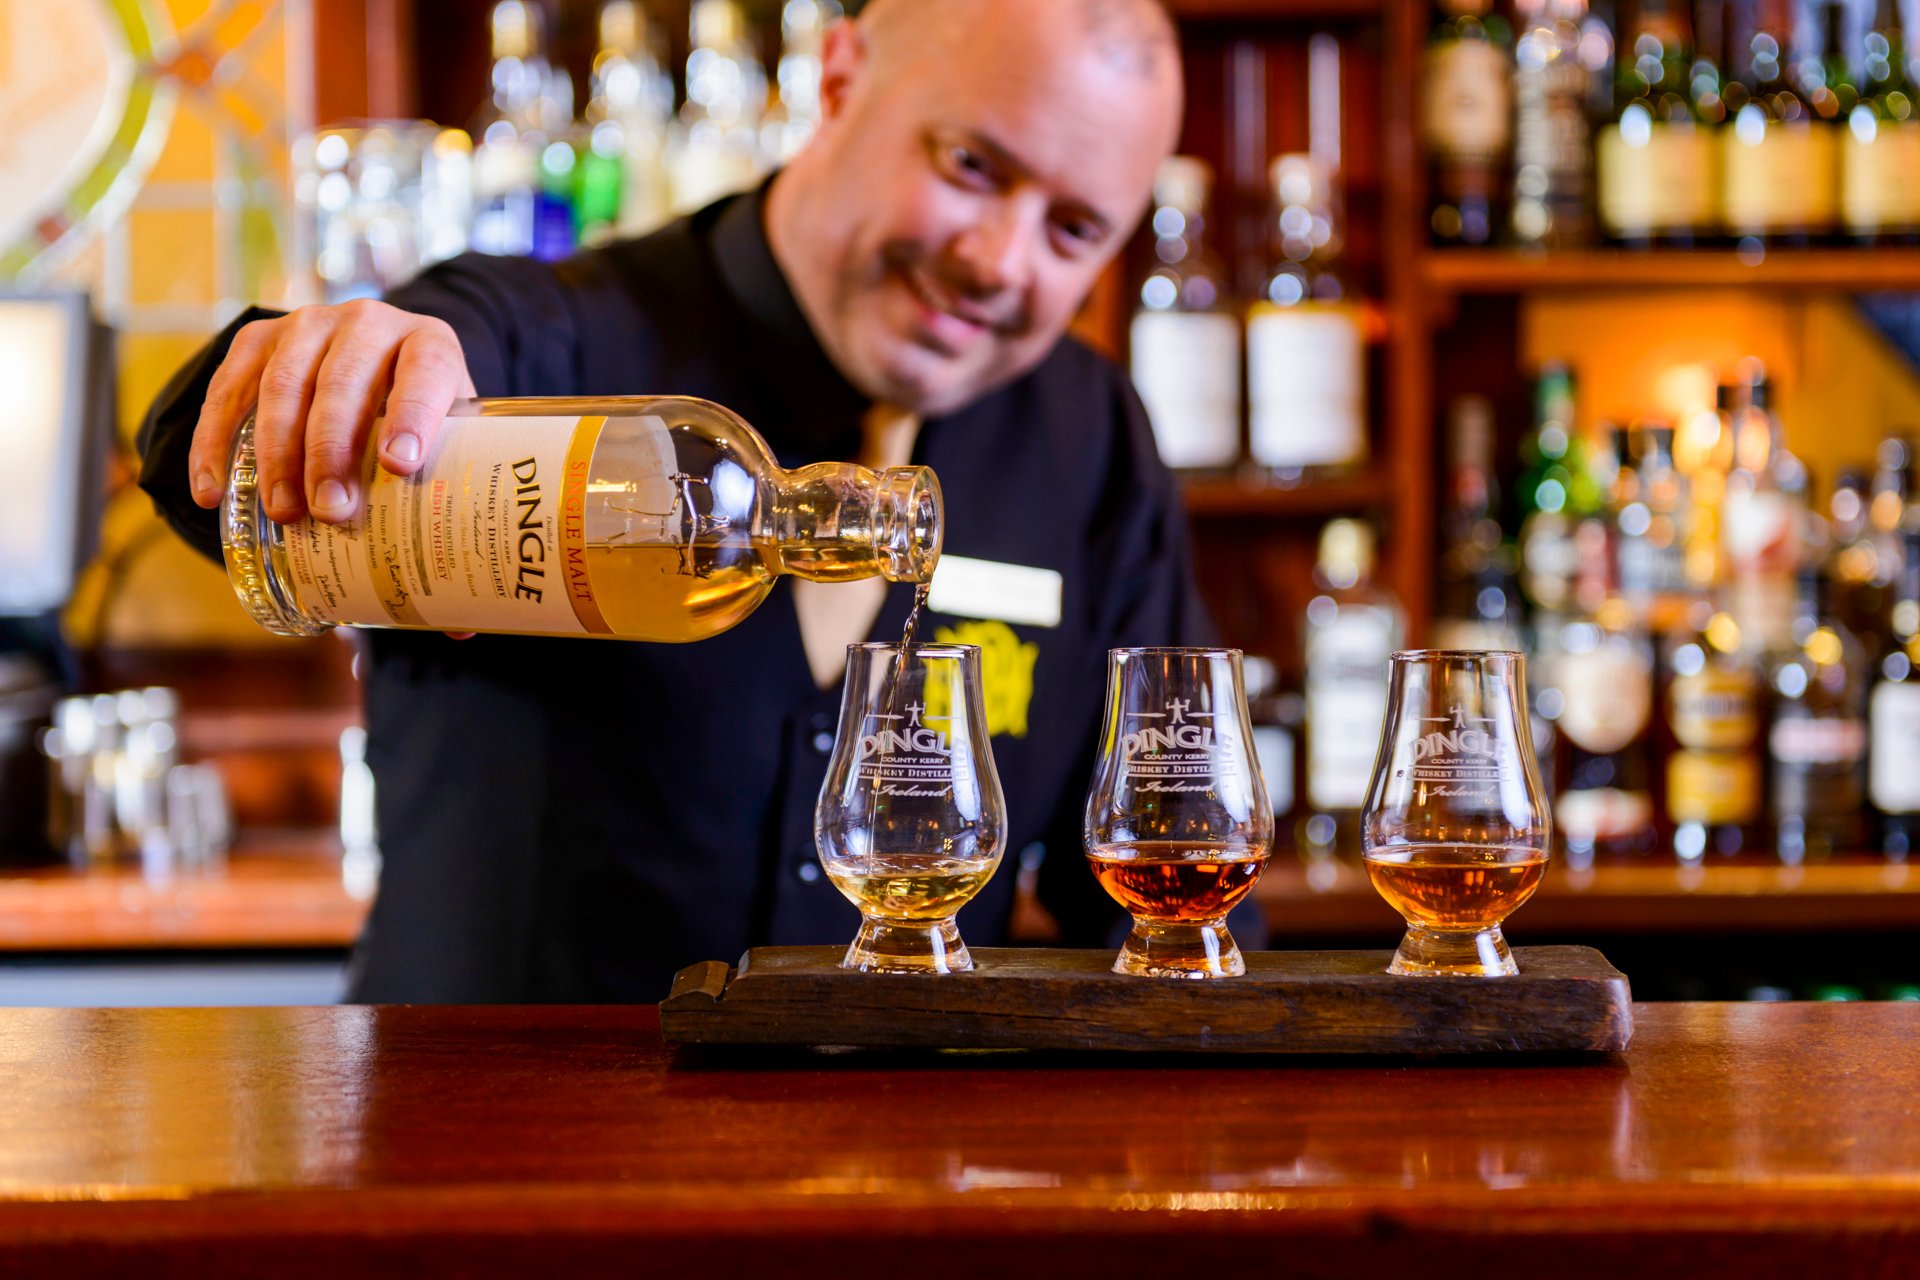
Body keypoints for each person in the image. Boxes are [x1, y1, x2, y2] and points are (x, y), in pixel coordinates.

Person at [138, 0, 1217, 1002]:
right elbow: (201, 459)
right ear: (840, 78)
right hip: (484, 1133)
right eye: (971, 165)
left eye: (1074, 230)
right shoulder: (545, 338)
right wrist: (322, 375)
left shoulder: (1091, 438)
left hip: (901, 1139)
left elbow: (1167, 889)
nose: (998, 260)